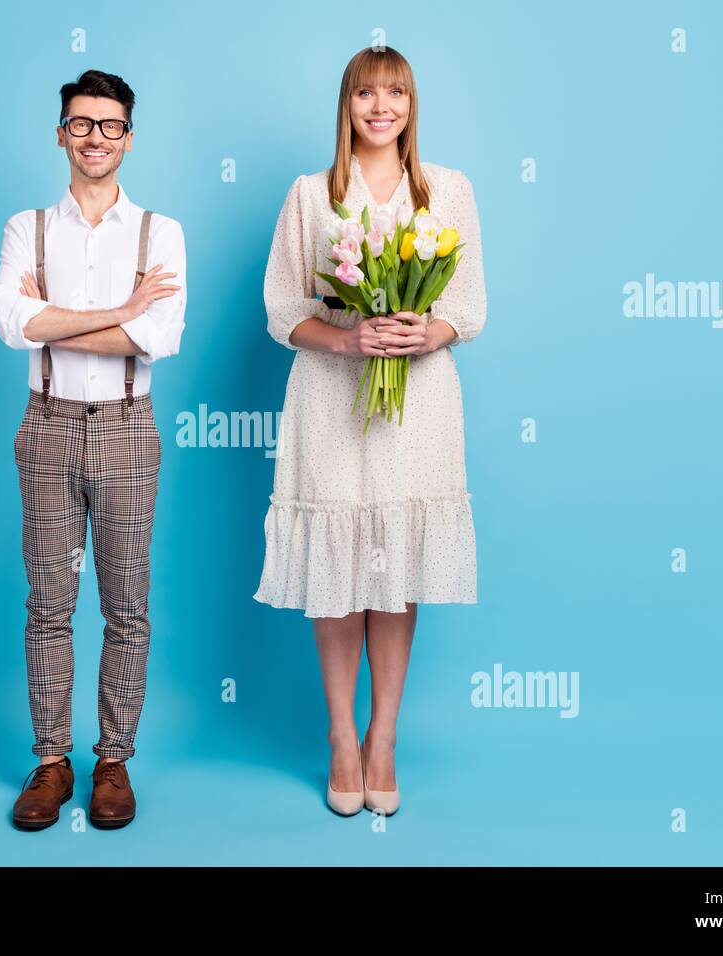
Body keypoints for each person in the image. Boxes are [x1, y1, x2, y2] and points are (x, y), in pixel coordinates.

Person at [253, 46, 487, 817]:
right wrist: (350, 340)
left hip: (418, 405)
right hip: (329, 396)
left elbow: (473, 307)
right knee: (337, 571)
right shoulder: (312, 194)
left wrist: (431, 331)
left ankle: (383, 735)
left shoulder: (447, 190)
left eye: (395, 93)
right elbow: (285, 311)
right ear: (346, 104)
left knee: (394, 570)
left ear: (412, 104)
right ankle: (340, 737)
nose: (380, 107)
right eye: (365, 93)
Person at [0, 69, 186, 830]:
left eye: (110, 125)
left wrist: (57, 315)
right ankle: (50, 761)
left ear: (128, 137)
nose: (95, 137)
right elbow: (13, 323)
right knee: (49, 602)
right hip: (46, 424)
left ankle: (113, 760)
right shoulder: (26, 227)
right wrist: (117, 311)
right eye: (81, 123)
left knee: (127, 605)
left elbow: (157, 336)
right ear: (60, 133)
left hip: (128, 427)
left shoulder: (158, 232)